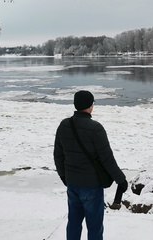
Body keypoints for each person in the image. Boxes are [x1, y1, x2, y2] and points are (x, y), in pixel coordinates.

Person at [54, 90, 128, 240]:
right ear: (90, 105)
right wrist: (121, 180)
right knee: (94, 226)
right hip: (91, 186)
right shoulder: (96, 128)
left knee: (73, 222)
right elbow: (107, 159)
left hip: (72, 184)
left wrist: (64, 177)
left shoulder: (64, 125)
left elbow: (58, 155)